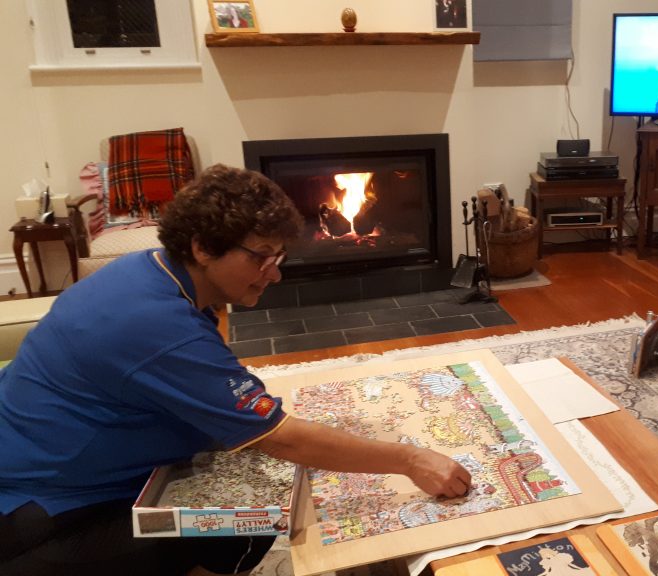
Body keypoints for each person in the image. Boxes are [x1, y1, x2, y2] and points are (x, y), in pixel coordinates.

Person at [0, 164, 471, 575]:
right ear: (204, 247)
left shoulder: (152, 272)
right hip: (43, 517)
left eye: (279, 256)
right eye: (261, 255)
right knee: (250, 521)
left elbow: (219, 390)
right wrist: (409, 459)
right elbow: (279, 435)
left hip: (45, 472)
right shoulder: (158, 324)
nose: (275, 272)